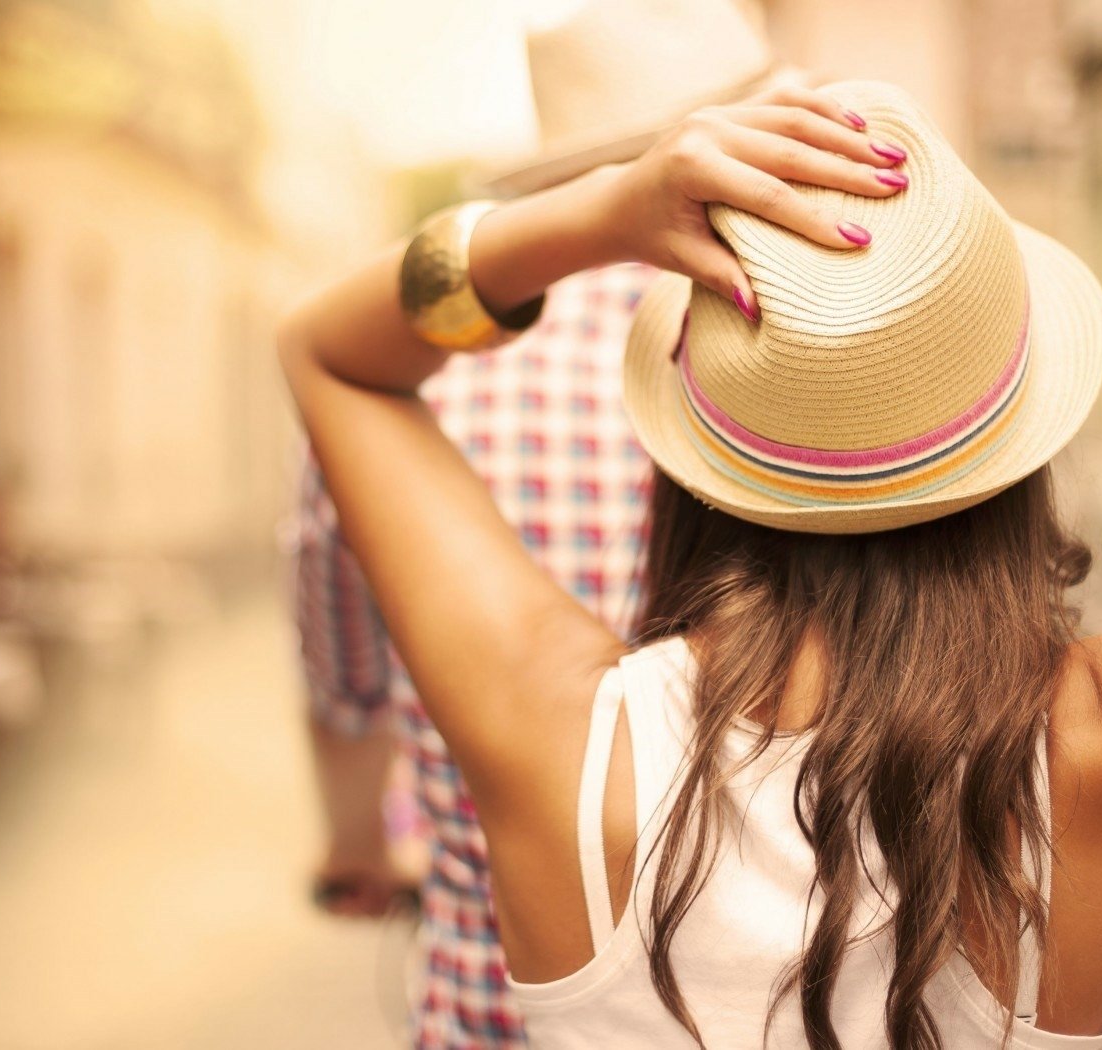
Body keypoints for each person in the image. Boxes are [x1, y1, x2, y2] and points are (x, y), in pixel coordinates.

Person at [280, 77, 1102, 1048]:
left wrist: (599, 216)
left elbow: (329, 354)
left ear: (696, 447)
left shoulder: (563, 740)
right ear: (1018, 438)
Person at [291, 3, 788, 1044]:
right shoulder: (802, 340)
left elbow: (344, 673)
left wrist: (358, 849)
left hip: (495, 995)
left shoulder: (417, 375)